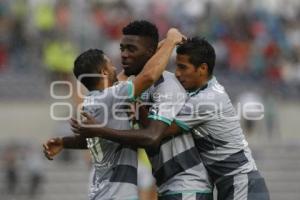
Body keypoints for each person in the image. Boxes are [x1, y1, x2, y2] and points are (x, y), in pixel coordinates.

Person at [71, 21, 213, 200]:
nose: (123, 55)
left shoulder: (168, 86)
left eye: (131, 49)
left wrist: (169, 41)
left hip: (187, 186)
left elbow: (152, 137)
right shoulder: (127, 90)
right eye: (122, 49)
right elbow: (128, 77)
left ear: (150, 53)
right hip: (168, 186)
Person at [43, 27, 184, 200]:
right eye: (110, 64)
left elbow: (131, 72)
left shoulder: (92, 102)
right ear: (103, 72)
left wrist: (65, 142)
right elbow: (148, 76)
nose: (115, 67)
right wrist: (171, 41)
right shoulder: (110, 98)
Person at [173, 37, 270, 200]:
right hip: (235, 184)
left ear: (202, 68)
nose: (177, 73)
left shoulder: (204, 100)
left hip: (241, 185)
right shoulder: (210, 87)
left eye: (183, 67)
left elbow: (157, 132)